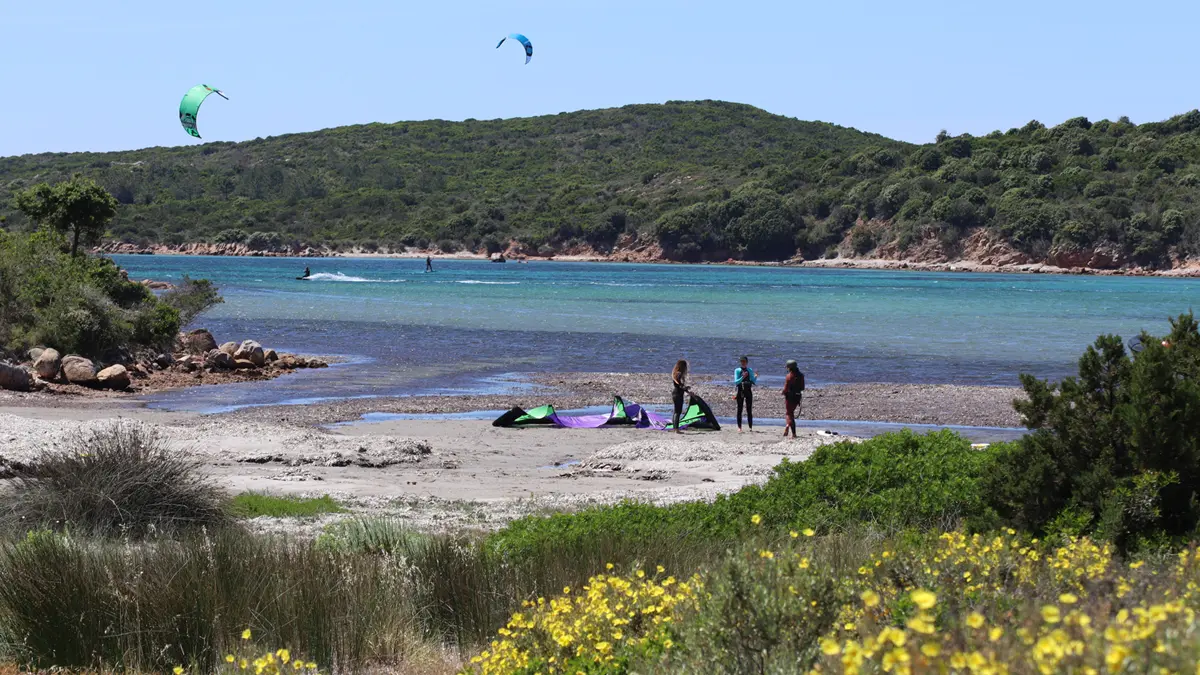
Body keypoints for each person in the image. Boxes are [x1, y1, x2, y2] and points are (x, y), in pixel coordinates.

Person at [781, 360, 804, 438]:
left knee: (789, 414)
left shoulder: (789, 376)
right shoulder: (801, 375)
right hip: (797, 397)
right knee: (791, 413)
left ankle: (793, 432)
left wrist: (783, 392)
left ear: (789, 368)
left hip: (789, 397)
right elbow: (802, 388)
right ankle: (789, 425)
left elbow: (786, 389)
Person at [734, 355, 757, 432]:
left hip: (748, 391)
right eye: (742, 361)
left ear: (747, 362)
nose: (743, 363)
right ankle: (739, 427)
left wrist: (756, 376)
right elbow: (736, 382)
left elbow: (753, 381)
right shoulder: (737, 370)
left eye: (744, 361)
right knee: (739, 409)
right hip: (740, 391)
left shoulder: (749, 370)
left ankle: (750, 427)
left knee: (749, 409)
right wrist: (742, 377)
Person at [671, 359, 690, 434]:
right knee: (677, 412)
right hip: (678, 394)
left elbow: (680, 385)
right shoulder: (679, 374)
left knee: (676, 411)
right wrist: (687, 390)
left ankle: (674, 428)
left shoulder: (676, 373)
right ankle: (676, 429)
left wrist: (687, 389)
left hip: (676, 393)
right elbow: (680, 385)